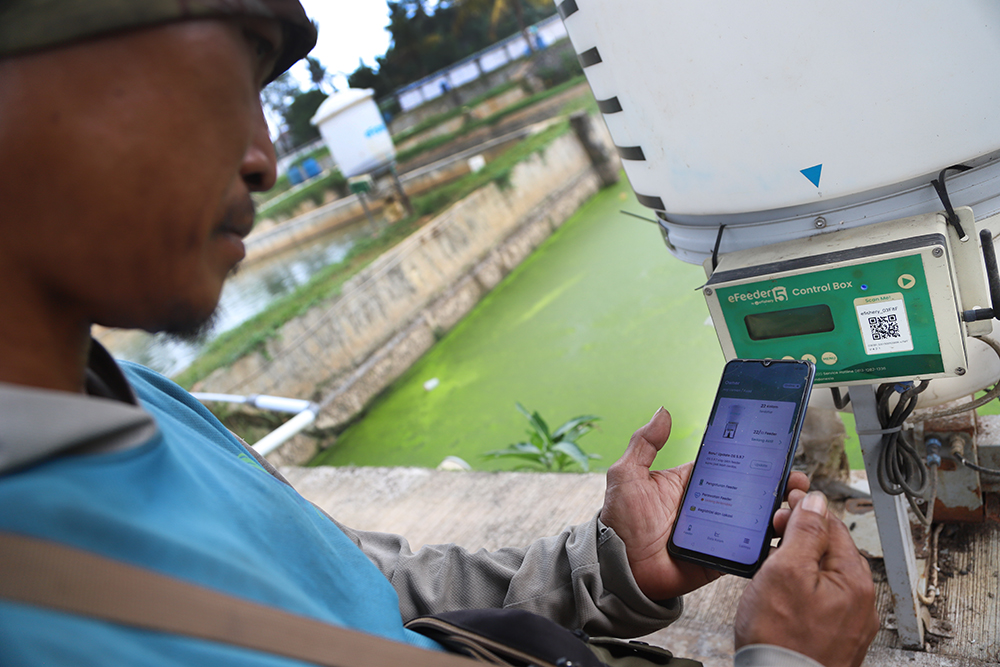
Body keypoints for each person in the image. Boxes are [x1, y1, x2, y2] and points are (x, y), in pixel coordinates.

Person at [0, 2, 879, 665]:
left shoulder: (129, 393)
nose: (264, 156)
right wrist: (783, 658)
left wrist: (612, 570)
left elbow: (362, 594)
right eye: (242, 60)